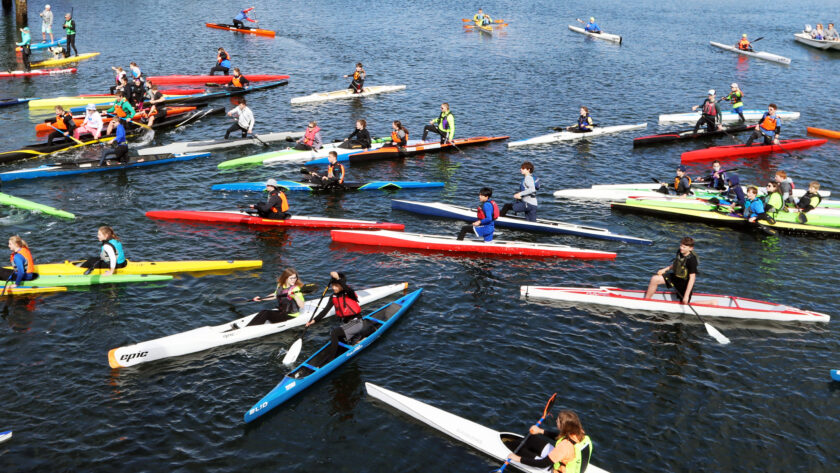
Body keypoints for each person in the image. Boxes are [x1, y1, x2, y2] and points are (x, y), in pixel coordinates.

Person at [304, 272, 369, 363]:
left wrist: (338, 278)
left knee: (334, 332)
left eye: (337, 286)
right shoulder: (333, 297)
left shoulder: (349, 293)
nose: (334, 288)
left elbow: (346, 288)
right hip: (346, 324)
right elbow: (325, 311)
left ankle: (332, 360)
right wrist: (313, 321)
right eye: (333, 285)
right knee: (338, 337)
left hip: (357, 323)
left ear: (342, 285)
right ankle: (356, 339)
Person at [505, 410, 593, 473]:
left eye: (558, 421)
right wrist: (540, 431)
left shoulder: (564, 446)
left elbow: (542, 464)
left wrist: (518, 459)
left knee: (522, 451)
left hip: (557, 469)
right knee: (532, 439)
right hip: (570, 463)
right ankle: (515, 444)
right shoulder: (583, 436)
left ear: (563, 426)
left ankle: (508, 445)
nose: (556, 421)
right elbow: (561, 438)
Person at [242, 268, 306, 327]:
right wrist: (261, 299)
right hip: (282, 312)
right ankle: (248, 327)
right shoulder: (281, 286)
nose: (293, 280)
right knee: (263, 311)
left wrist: (294, 295)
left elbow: (302, 305)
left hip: (291, 315)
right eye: (291, 278)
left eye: (295, 278)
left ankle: (249, 329)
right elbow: (275, 295)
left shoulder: (295, 289)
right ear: (286, 278)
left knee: (267, 314)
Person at [645, 236, 697, 303]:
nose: (681, 248)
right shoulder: (680, 252)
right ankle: (646, 301)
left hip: (684, 283)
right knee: (655, 279)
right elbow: (676, 264)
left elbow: (692, 278)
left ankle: (711, 302)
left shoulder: (692, 261)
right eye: (681, 245)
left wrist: (686, 296)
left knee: (685, 303)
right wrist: (665, 269)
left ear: (691, 248)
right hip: (676, 277)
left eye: (684, 247)